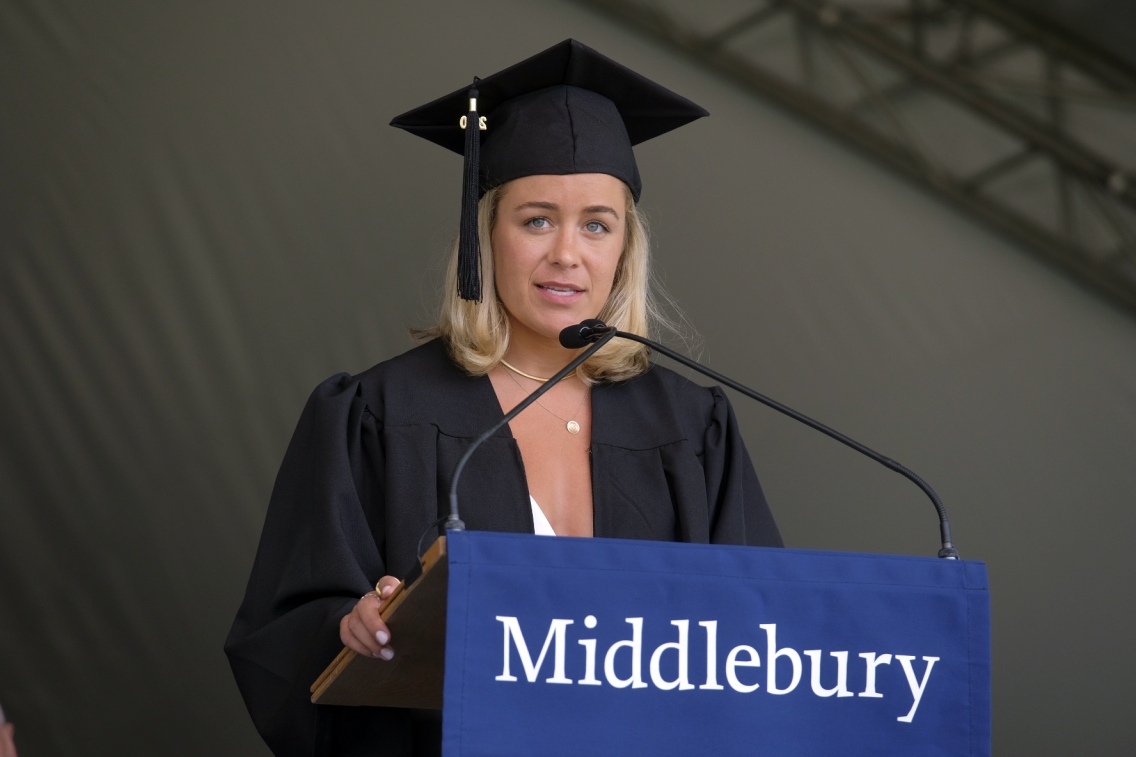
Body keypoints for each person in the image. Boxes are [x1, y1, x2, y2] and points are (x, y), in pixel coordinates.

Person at [225, 39, 782, 757]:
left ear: (625, 248)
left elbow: (761, 640)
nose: (567, 255)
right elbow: (281, 629)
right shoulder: (378, 413)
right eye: (537, 219)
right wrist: (350, 625)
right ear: (485, 234)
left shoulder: (691, 426)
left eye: (596, 225)